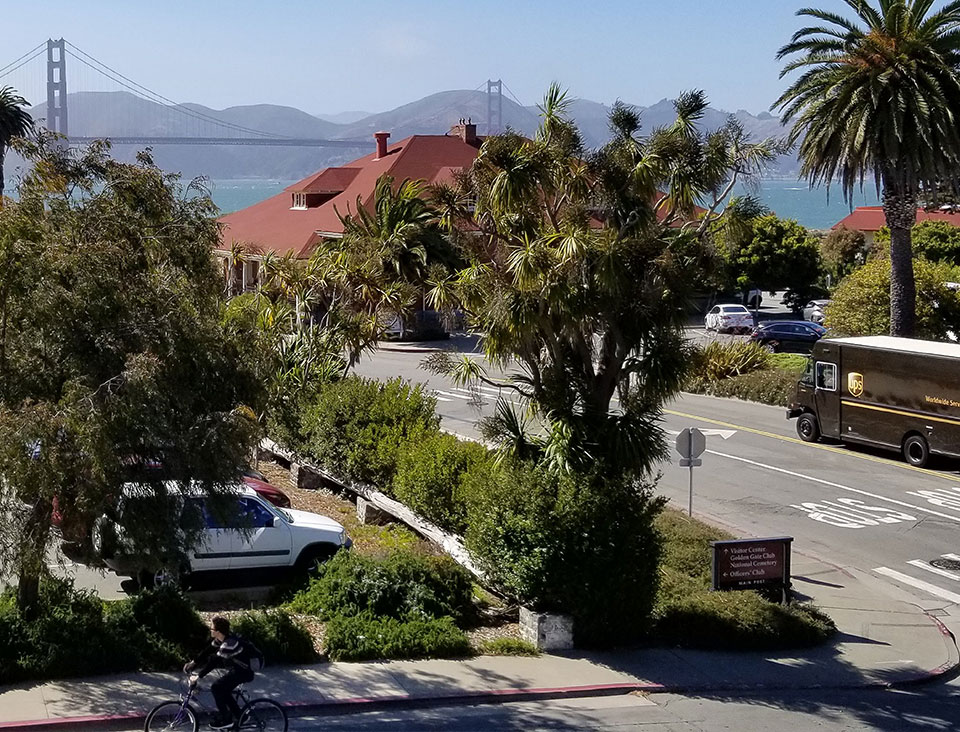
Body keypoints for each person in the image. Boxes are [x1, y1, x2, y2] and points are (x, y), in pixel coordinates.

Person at [184, 616, 264, 730]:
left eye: (212, 628)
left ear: (218, 632)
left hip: (246, 670)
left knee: (217, 687)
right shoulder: (221, 639)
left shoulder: (229, 644)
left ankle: (226, 720)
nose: (210, 630)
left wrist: (198, 676)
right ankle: (240, 716)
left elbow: (214, 662)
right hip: (238, 668)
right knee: (224, 689)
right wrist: (193, 662)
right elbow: (207, 651)